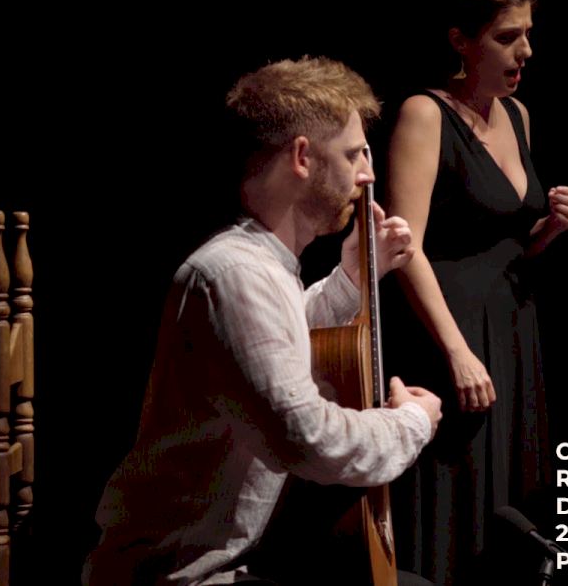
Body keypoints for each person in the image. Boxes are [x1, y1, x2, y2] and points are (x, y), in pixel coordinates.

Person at [83, 56, 443, 586]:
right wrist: (411, 423)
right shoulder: (234, 275)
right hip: (176, 577)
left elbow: (281, 341)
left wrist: (351, 278)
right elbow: (309, 438)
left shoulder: (262, 267)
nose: (367, 174)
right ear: (302, 157)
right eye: (352, 154)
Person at [383, 0, 568, 584]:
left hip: (514, 331)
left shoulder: (517, 115)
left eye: (527, 34)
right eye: (506, 37)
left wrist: (548, 230)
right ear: (461, 41)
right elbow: (405, 247)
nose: (525, 51)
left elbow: (506, 248)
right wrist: (456, 351)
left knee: (508, 505)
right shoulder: (425, 114)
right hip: (450, 333)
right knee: (455, 503)